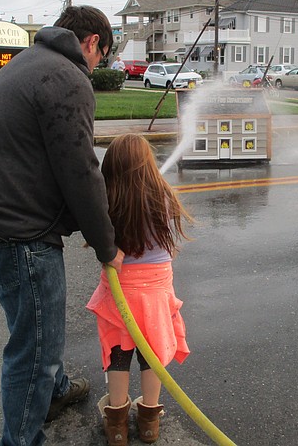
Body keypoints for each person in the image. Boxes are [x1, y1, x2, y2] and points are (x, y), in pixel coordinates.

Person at [0, 5, 125, 446]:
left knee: (36, 329)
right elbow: (80, 170)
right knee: (33, 349)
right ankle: (21, 439)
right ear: (92, 42)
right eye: (102, 56)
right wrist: (107, 246)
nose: (97, 66)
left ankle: (53, 391)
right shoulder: (66, 77)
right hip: (19, 234)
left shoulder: (27, 64)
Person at [86, 134, 192, 446]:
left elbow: (97, 236)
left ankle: (117, 423)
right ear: (147, 165)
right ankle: (149, 423)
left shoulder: (106, 201)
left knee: (118, 354)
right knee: (152, 356)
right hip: (156, 293)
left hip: (120, 291)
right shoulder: (164, 197)